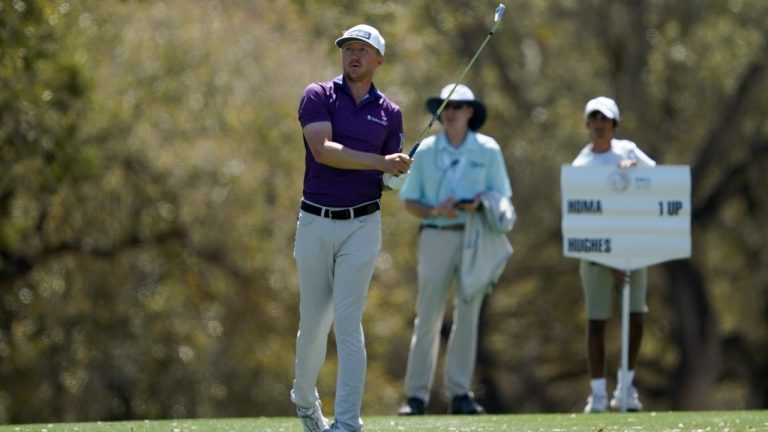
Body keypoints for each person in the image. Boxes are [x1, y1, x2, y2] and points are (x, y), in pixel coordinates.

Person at [291, 24, 412, 432]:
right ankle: (305, 400)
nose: (354, 56)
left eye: (363, 50)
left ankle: (347, 424)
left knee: (347, 322)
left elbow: (389, 181)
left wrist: (397, 174)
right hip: (314, 221)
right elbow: (322, 152)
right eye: (348, 49)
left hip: (362, 223)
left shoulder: (390, 113)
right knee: (314, 322)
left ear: (379, 59)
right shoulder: (318, 95)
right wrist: (382, 162)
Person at [397, 84, 513, 416]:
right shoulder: (428, 150)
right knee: (428, 315)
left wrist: (480, 203)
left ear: (470, 112)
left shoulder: (488, 149)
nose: (450, 112)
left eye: (458, 106)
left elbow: (502, 194)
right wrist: (436, 210)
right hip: (436, 234)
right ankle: (415, 396)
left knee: (469, 312)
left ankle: (460, 393)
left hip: (476, 234)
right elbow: (411, 202)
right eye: (446, 106)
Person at [573, 96, 656, 413]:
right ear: (587, 124)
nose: (598, 124)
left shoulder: (630, 151)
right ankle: (597, 393)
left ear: (614, 125)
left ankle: (626, 388)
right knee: (597, 321)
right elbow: (582, 217)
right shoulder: (582, 165)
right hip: (594, 254)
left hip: (634, 248)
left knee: (636, 317)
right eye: (593, 119)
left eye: (604, 119)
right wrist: (610, 261)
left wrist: (635, 172)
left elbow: (660, 183)